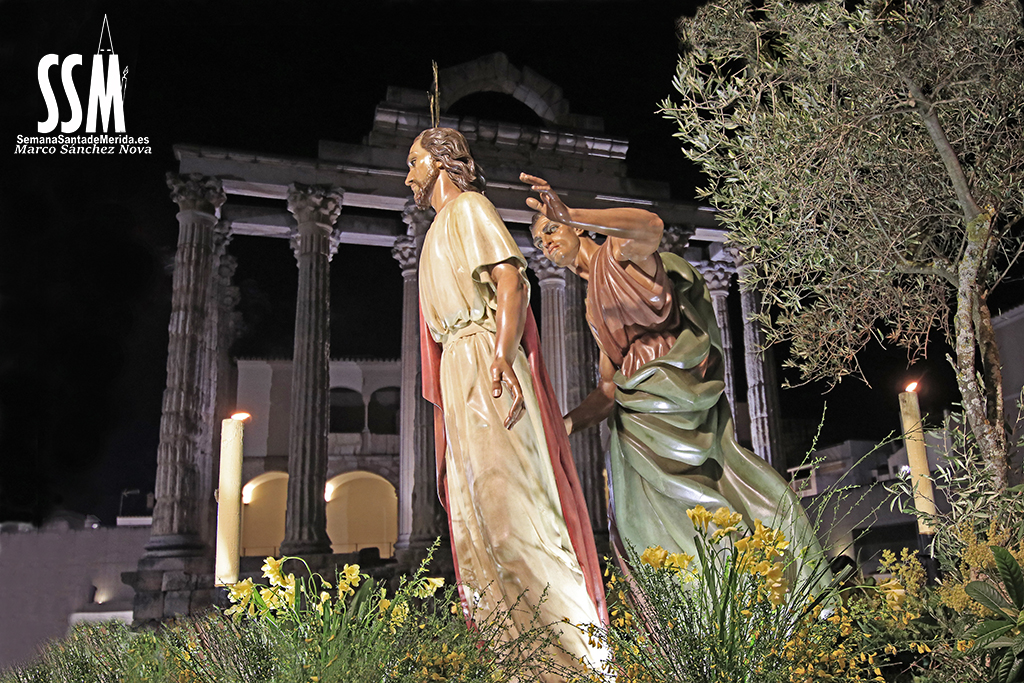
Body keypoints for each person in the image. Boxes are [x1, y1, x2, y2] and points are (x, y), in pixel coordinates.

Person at [522, 172, 828, 590]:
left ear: (576, 228)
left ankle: (755, 586)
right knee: (646, 522)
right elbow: (609, 389)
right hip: (635, 418)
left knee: (707, 499)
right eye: (539, 241)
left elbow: (651, 226)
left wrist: (571, 212)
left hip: (675, 396)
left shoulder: (619, 256)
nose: (546, 243)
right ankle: (695, 605)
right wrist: (563, 425)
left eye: (551, 230)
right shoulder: (592, 303)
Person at [408, 129, 606, 676]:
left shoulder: (470, 208)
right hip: (458, 367)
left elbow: (510, 280)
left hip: (483, 359)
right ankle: (512, 658)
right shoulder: (435, 230)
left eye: (415, 161)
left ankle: (569, 660)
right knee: (475, 522)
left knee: (510, 510)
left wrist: (500, 355)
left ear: (441, 162)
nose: (408, 175)